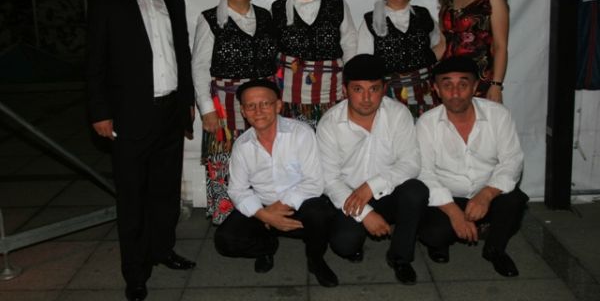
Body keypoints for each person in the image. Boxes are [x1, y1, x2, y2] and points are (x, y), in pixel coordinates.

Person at [86, 0, 196, 301]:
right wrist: (100, 112)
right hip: (129, 115)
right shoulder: (105, 3)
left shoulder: (175, 2)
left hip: (170, 112)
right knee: (132, 198)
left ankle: (163, 250)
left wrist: (187, 101)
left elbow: (182, 55)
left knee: (165, 192)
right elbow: (95, 63)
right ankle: (135, 272)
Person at [316, 54, 429, 285]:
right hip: (348, 196)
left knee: (416, 191)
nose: (366, 98)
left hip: (388, 191)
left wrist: (371, 186)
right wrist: (366, 214)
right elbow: (329, 180)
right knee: (344, 244)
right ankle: (355, 242)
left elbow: (411, 163)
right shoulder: (329, 123)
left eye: (374, 89)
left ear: (384, 89)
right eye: (358, 89)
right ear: (345, 90)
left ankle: (400, 257)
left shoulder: (398, 114)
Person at [214, 79, 339, 287]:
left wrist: (277, 210)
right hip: (263, 207)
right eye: (251, 106)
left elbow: (314, 182)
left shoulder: (301, 133)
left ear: (278, 105)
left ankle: (315, 259)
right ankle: (266, 247)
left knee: (320, 214)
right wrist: (264, 215)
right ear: (243, 112)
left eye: (265, 103)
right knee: (225, 240)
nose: (258, 111)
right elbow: (237, 190)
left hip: (299, 205)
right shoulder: (242, 145)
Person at [417, 56, 528, 277]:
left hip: (487, 191)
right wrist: (454, 213)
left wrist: (486, 195)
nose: (455, 93)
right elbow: (424, 172)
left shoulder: (498, 115)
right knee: (433, 234)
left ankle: (495, 250)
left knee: (515, 200)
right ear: (436, 89)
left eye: (463, 84)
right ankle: (442, 242)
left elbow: (512, 160)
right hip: (448, 197)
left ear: (476, 86)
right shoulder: (426, 123)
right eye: (447, 85)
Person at [191, 0, 279, 225]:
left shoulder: (265, 16)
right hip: (226, 104)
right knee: (225, 160)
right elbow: (199, 67)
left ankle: (264, 218)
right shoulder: (210, 19)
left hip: (262, 103)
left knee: (262, 159)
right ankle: (229, 221)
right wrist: (206, 109)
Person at [271, 0, 358, 128]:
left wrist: (350, 80)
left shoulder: (336, 3)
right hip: (291, 91)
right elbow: (272, 50)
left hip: (331, 88)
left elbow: (349, 42)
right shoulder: (278, 8)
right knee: (296, 137)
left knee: (331, 133)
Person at [357, 0, 443, 119]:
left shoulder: (423, 15)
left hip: (426, 91)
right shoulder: (371, 20)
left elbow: (440, 44)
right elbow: (365, 61)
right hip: (389, 94)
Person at [438, 0, 510, 102]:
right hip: (449, 81)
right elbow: (443, 45)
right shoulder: (448, 1)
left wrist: (496, 85)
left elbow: (500, 46)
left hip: (480, 81)